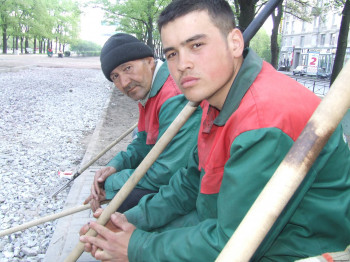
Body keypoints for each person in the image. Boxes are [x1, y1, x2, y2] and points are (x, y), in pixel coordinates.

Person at [79, 1, 350, 261]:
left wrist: (136, 247)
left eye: (196, 45)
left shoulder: (263, 120)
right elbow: (189, 183)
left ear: (234, 43)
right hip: (228, 224)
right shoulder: (217, 100)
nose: (182, 64)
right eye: (172, 53)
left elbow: (234, 243)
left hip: (292, 249)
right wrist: (125, 222)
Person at [83, 33, 201, 212]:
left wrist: (111, 184)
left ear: (149, 61)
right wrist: (115, 166)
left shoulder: (174, 96)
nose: (124, 82)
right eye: (115, 76)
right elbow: (144, 142)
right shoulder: (148, 90)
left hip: (198, 188)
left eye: (128, 68)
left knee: (122, 202)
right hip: (179, 178)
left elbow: (167, 171)